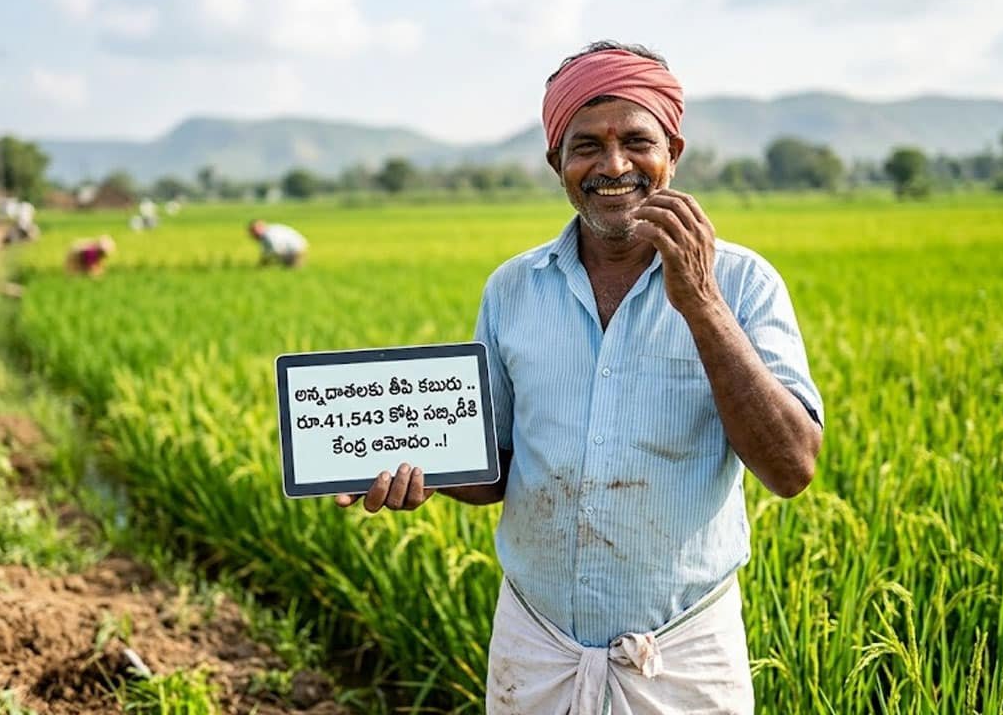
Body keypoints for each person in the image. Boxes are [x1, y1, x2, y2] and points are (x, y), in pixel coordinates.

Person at [336, 41, 823, 713]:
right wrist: (416, 463)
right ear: (557, 164)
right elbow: (498, 466)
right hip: (536, 646)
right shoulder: (513, 290)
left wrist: (701, 302)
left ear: (673, 153)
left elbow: (792, 467)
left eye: (637, 141)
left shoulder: (743, 284)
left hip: (683, 656)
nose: (614, 165)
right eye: (587, 145)